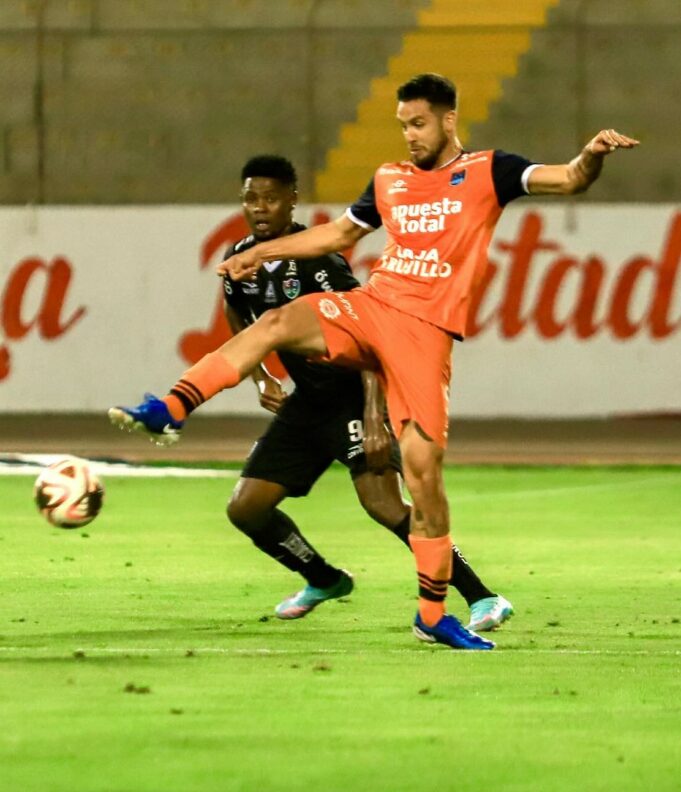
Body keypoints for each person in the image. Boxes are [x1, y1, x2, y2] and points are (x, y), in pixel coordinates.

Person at [110, 73, 638, 651]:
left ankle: (433, 614)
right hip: (373, 305)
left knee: (423, 474)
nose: (409, 135)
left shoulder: (490, 171)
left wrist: (590, 156)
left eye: (418, 123)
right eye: (403, 125)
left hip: (424, 333)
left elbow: (566, 179)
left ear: (447, 120)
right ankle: (171, 406)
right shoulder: (390, 180)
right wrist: (260, 253)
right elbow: (337, 235)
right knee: (277, 323)